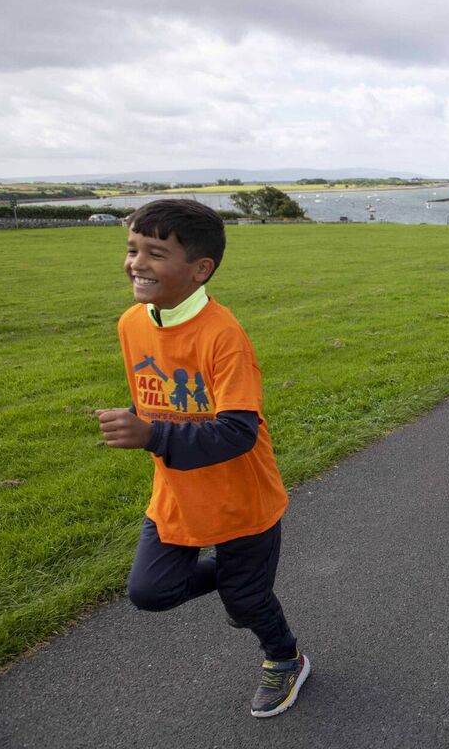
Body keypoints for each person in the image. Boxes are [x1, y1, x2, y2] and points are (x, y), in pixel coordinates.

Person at [96, 200, 309, 719]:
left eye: (155, 252)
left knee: (246, 606)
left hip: (242, 500)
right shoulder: (131, 324)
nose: (137, 263)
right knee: (150, 591)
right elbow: (160, 400)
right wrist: (139, 420)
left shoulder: (223, 336)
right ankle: (239, 577)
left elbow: (237, 432)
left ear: (200, 269)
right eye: (132, 249)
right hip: (178, 495)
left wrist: (150, 435)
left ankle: (285, 659)